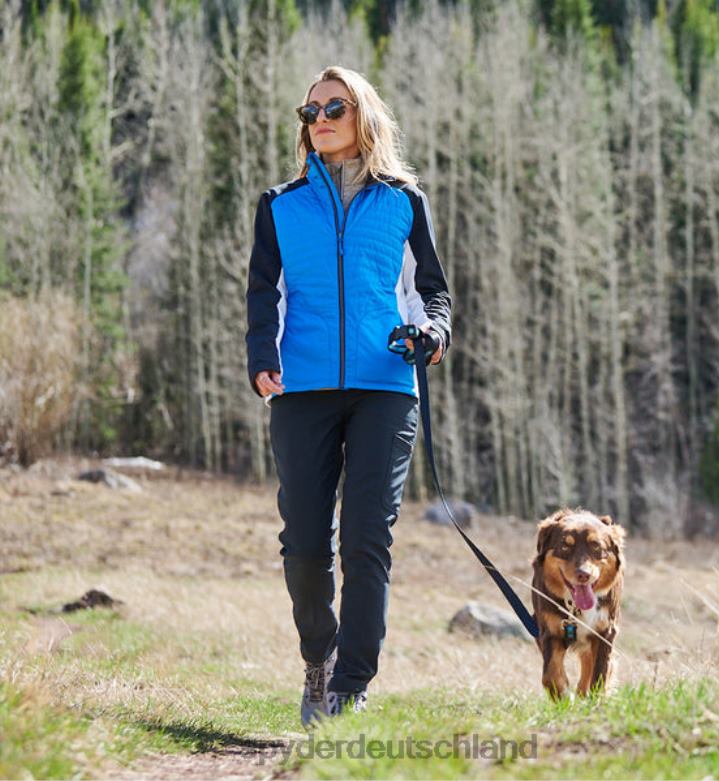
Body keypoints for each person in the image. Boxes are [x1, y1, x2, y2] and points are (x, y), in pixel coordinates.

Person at [245, 65, 451, 726]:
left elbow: (433, 292)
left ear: (362, 114)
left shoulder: (402, 201)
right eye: (311, 111)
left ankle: (351, 685)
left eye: (335, 106)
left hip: (386, 386)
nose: (322, 118)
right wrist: (261, 355)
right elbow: (263, 294)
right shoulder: (280, 204)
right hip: (301, 387)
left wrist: (433, 332)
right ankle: (319, 657)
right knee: (305, 542)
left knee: (367, 537)